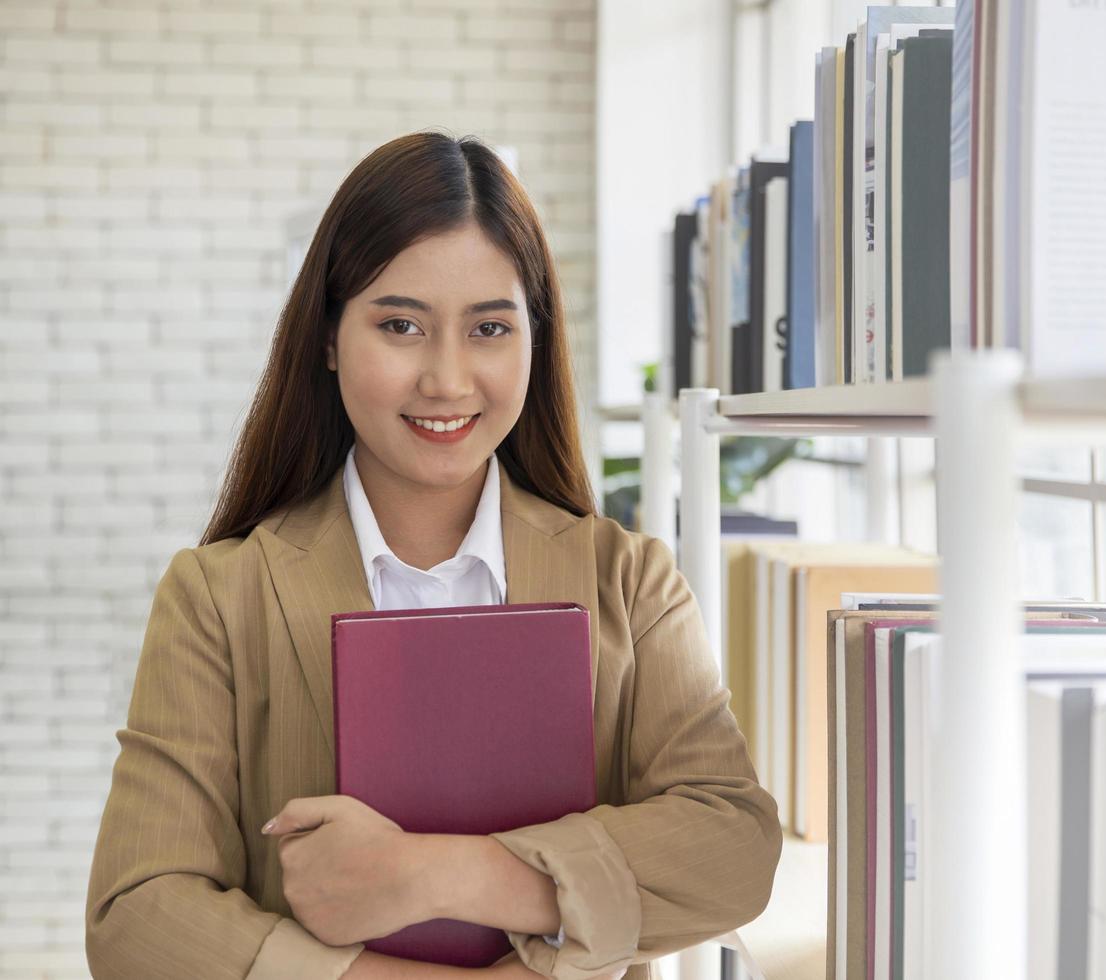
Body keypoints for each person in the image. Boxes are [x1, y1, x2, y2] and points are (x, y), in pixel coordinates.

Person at [85, 131, 782, 980]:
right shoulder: (219, 596)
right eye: (401, 324)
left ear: (536, 339)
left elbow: (734, 847)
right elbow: (136, 916)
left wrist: (434, 873)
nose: (448, 380)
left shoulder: (627, 583)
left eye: (490, 327)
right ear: (331, 338)